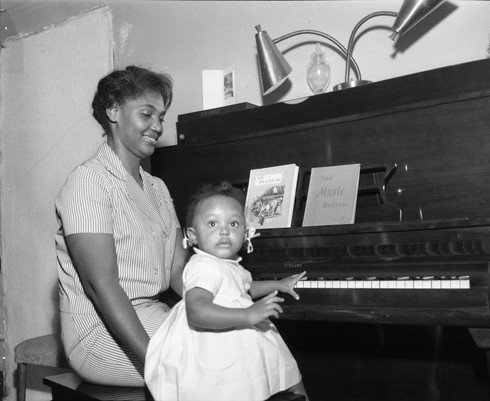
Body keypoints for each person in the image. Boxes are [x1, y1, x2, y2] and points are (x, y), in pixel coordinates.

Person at [54, 65, 189, 386]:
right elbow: (102, 288)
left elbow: (177, 272)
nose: (157, 126)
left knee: (247, 340)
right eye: (147, 114)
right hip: (98, 330)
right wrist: (154, 358)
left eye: (162, 116)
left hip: (152, 314)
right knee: (206, 365)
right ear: (113, 111)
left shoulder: (158, 188)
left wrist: (227, 305)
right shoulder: (88, 182)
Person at [145, 182, 309, 401]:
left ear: (245, 233)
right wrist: (248, 315)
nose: (224, 231)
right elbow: (197, 311)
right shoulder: (203, 266)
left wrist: (279, 284)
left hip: (242, 333)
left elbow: (246, 289)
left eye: (233, 223)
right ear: (193, 235)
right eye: (212, 223)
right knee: (232, 389)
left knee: (283, 375)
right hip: (215, 343)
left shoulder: (232, 266)